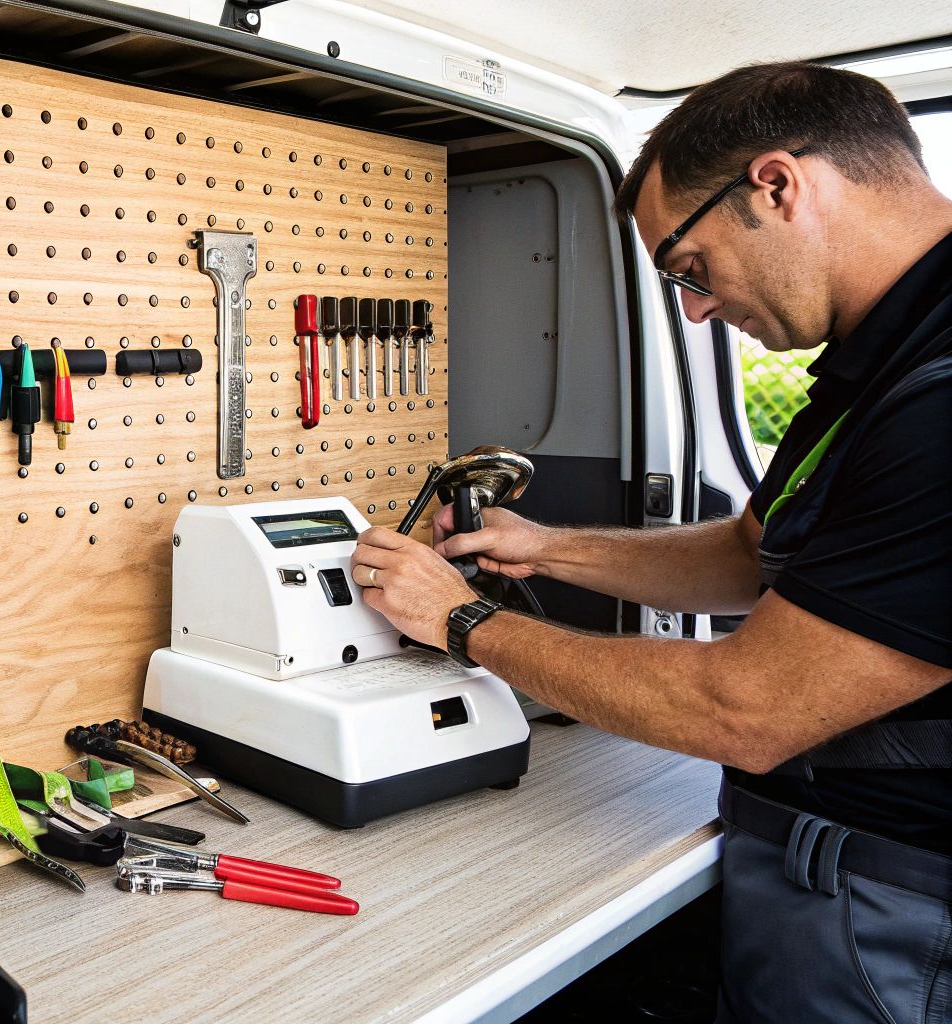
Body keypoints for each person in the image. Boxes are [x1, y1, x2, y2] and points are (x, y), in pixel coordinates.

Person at [348, 61, 952, 1024]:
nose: (696, 310)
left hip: (901, 908)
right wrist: (547, 549)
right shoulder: (882, 361)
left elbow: (749, 710)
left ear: (778, 185)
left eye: (689, 269)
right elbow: (756, 556)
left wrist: (458, 624)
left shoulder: (938, 398)